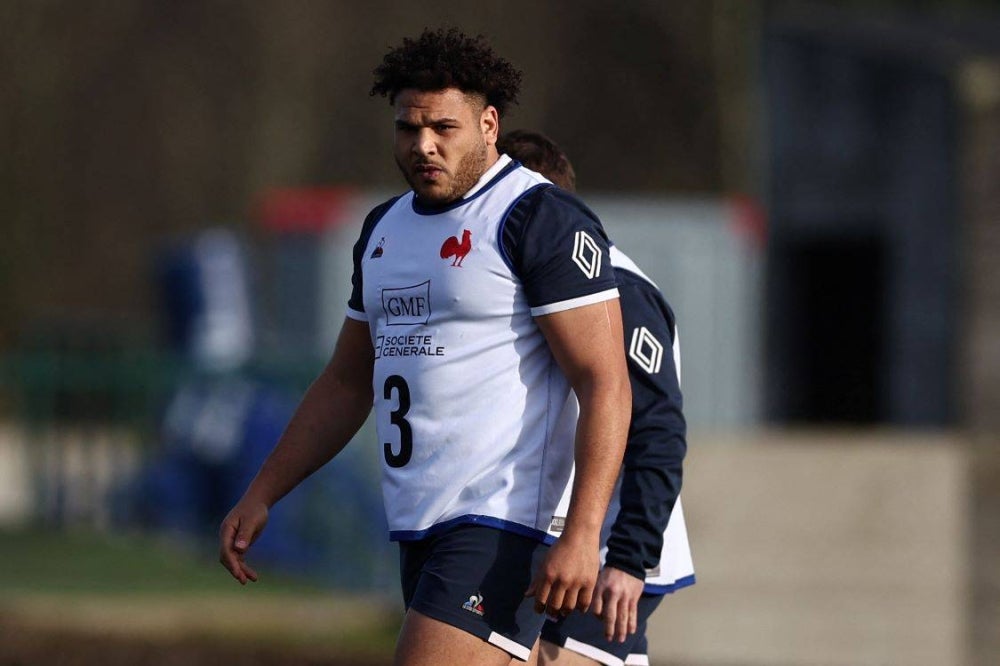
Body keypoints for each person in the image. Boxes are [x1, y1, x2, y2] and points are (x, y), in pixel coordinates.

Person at [218, 29, 633, 666]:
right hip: (419, 525)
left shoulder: (537, 217)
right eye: (408, 129)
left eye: (444, 126)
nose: (423, 145)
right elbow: (346, 382)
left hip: (503, 522)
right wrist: (263, 491)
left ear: (489, 124)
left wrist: (581, 533)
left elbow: (604, 383)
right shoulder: (383, 227)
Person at [497, 130, 694, 666]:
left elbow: (659, 429)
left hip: (611, 547)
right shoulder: (524, 284)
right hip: (566, 539)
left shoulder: (619, 290)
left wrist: (629, 559)